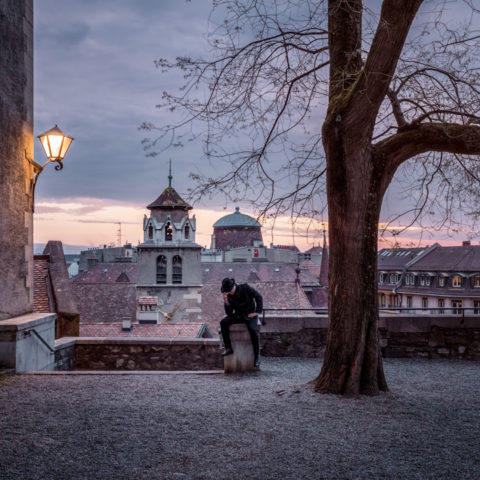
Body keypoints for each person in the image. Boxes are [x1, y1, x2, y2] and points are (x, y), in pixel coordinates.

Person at [220, 277, 262, 368]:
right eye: (227, 291)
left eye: (229, 290)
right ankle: (228, 348)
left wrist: (257, 311)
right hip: (239, 315)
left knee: (252, 330)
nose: (228, 292)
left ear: (233, 286)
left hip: (250, 314)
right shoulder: (229, 296)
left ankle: (257, 357)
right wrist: (226, 301)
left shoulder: (245, 288)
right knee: (223, 322)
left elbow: (258, 296)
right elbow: (229, 313)